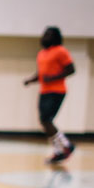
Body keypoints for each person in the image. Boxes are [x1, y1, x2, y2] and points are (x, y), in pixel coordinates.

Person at [23, 26, 76, 164]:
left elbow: (71, 69)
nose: (45, 36)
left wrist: (53, 78)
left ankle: (66, 145)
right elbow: (41, 74)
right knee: (44, 122)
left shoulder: (61, 51)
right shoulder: (41, 53)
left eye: (48, 34)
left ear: (55, 37)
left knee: (47, 119)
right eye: (44, 34)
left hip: (57, 90)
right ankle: (58, 151)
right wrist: (30, 80)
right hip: (44, 91)